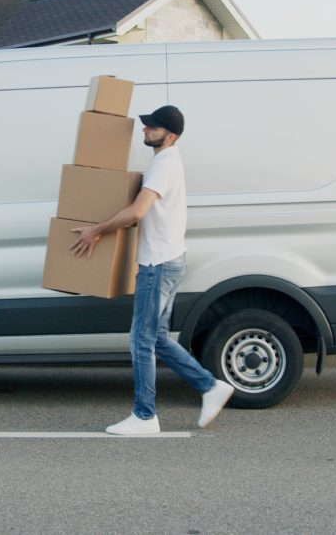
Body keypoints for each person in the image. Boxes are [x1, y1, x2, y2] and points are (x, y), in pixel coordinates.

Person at [70, 105, 234, 435]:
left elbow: (136, 213)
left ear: (170, 135)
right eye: (146, 125)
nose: (144, 130)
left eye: (152, 127)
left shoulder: (165, 164)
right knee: (156, 337)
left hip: (158, 264)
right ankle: (210, 386)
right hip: (169, 259)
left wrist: (96, 230)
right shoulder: (165, 162)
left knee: (141, 340)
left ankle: (145, 416)